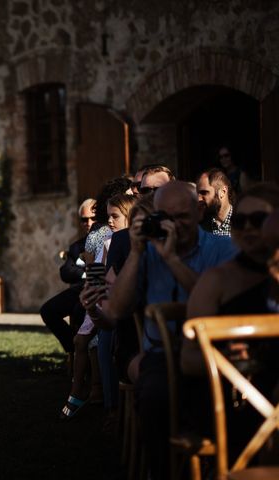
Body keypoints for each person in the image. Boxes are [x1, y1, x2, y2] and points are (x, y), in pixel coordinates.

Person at [104, 181, 237, 480]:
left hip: (213, 354)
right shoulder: (147, 252)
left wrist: (171, 259)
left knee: (218, 402)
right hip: (162, 354)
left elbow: (217, 303)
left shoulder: (223, 249)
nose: (175, 225)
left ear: (198, 212)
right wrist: (137, 253)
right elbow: (115, 310)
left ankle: (215, 465)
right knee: (154, 394)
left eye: (183, 218)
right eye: (167, 217)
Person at [182, 183, 279, 462]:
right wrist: (224, 358)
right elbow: (188, 360)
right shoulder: (217, 280)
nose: (248, 228)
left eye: (258, 220)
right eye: (240, 221)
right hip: (230, 396)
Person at [62, 193, 137, 419]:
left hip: (121, 306)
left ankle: (102, 399)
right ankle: (83, 395)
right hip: (102, 302)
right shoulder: (106, 242)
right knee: (82, 338)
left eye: (115, 216)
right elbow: (96, 280)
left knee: (100, 340)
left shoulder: (135, 243)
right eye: (108, 216)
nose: (110, 221)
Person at [39, 198, 94, 355]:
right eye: (84, 219)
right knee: (48, 311)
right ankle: (76, 350)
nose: (88, 222)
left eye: (92, 218)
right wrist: (85, 273)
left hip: (97, 291)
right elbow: (66, 272)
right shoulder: (77, 246)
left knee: (79, 311)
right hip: (79, 289)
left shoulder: (108, 239)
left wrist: (81, 270)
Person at [196, 168, 233, 236]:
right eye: (197, 193)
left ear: (222, 192)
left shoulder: (244, 221)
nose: (199, 199)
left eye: (204, 193)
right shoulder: (199, 226)